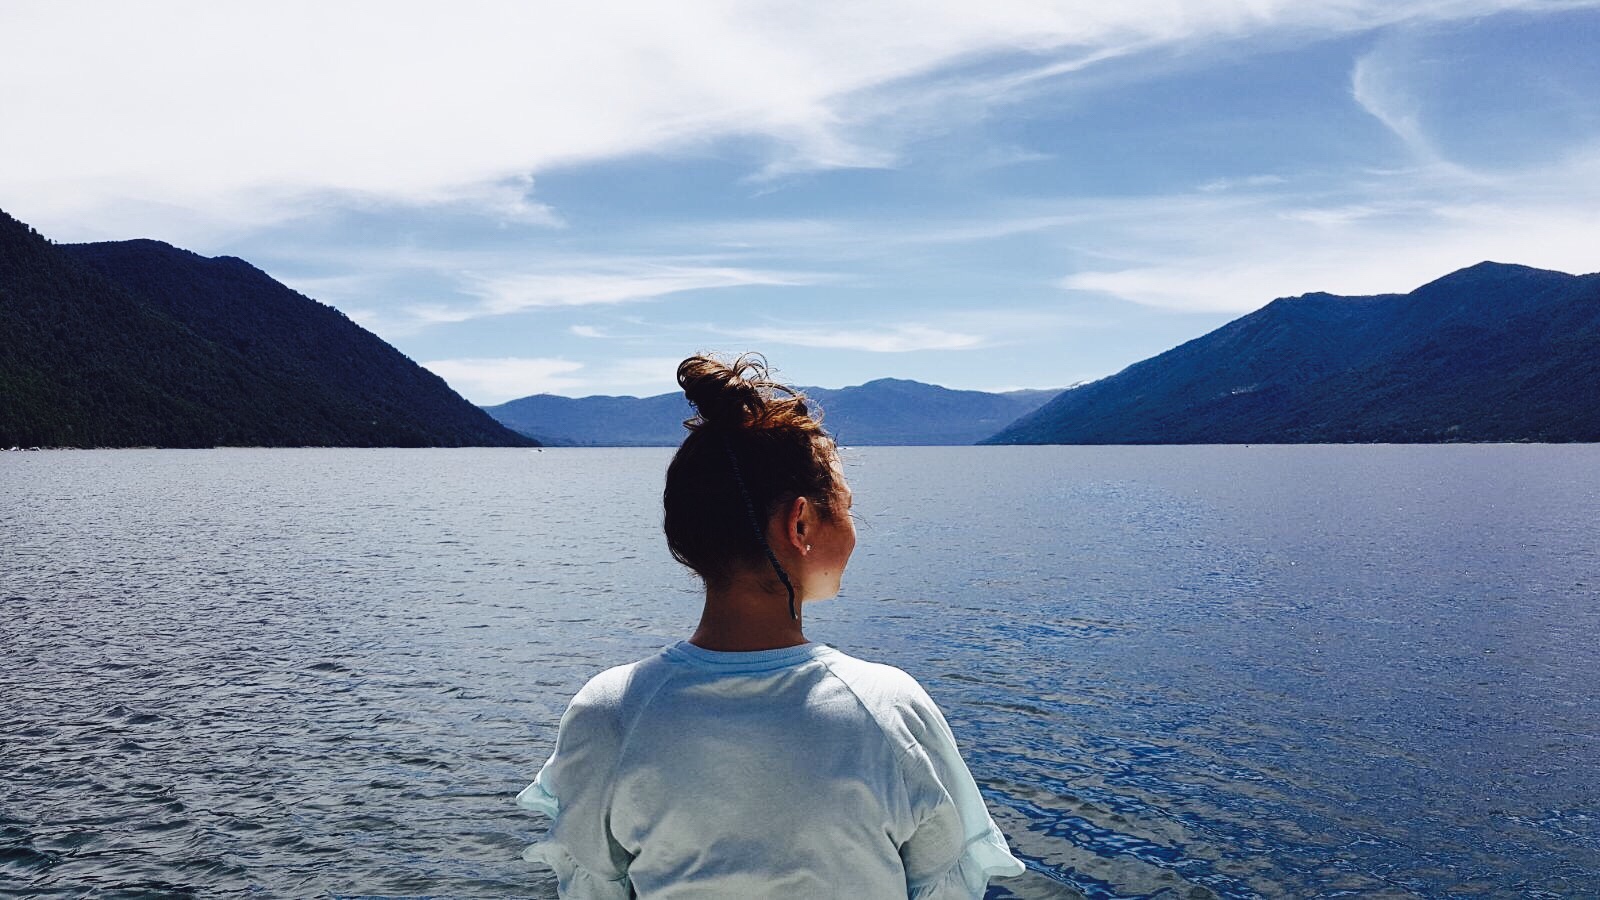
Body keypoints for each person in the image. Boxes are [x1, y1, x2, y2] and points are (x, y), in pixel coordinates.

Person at [517, 353, 1026, 899]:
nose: (855, 531)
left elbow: (593, 887)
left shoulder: (609, 712)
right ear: (800, 524)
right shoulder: (886, 708)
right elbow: (944, 885)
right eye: (847, 508)